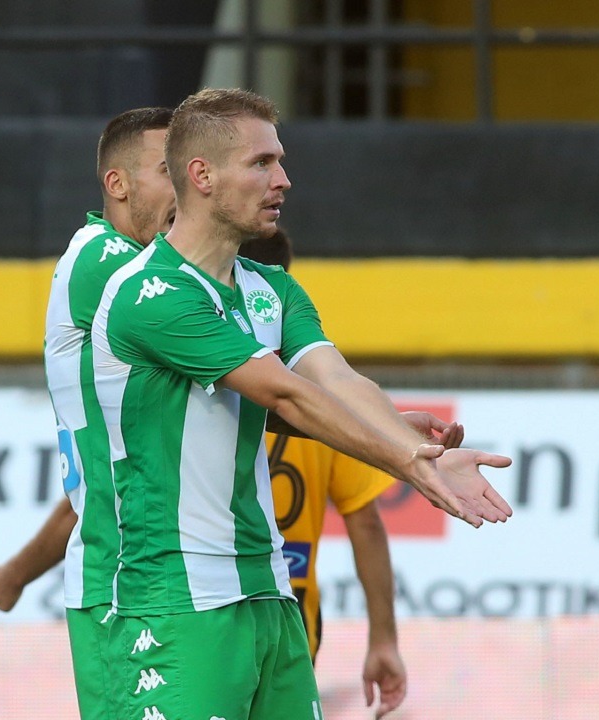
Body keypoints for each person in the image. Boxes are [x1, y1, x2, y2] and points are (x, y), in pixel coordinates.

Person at [92, 88, 512, 720]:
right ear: (202, 175)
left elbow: (337, 380)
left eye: (280, 162)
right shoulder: (149, 294)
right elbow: (286, 394)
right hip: (177, 601)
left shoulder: (272, 288)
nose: (283, 179)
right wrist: (411, 463)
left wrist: (414, 445)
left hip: (269, 592)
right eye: (261, 163)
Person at [0, 107, 177, 720]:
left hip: (191, 580)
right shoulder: (107, 262)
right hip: (130, 585)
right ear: (117, 184)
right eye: (169, 170)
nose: (191, 187)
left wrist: (15, 574)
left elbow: (94, 487)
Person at [240, 229, 406, 718]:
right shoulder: (322, 401)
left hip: (201, 618)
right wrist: (383, 638)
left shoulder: (184, 368)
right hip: (290, 630)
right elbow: (365, 522)